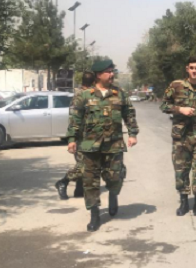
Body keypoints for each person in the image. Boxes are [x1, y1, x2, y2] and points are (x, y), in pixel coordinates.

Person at [65, 60, 138, 231]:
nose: (112, 74)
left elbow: (129, 114)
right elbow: (75, 119)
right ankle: (95, 214)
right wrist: (72, 139)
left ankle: (113, 194)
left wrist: (133, 133)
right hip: (89, 145)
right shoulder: (84, 95)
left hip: (114, 144)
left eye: (112, 71)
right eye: (108, 72)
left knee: (114, 176)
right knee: (90, 181)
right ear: (98, 75)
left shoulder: (120, 94)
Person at [160, 56, 196, 219]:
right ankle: (184, 202)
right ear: (187, 69)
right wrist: (179, 109)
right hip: (181, 135)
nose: (194, 71)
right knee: (181, 169)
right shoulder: (176, 85)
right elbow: (164, 105)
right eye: (191, 68)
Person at [55, 71, 95, 200]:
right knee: (83, 165)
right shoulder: (80, 96)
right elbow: (73, 118)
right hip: (81, 137)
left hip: (88, 136)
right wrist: (72, 139)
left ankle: (79, 190)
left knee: (84, 163)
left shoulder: (87, 94)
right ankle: (63, 182)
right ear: (92, 83)